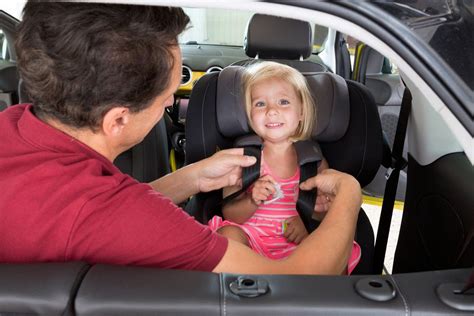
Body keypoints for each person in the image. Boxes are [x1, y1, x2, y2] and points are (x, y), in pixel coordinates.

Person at [0, 1, 362, 275]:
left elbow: (105, 208)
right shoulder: (124, 219)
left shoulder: (10, 125)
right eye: (167, 96)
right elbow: (295, 280)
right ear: (118, 120)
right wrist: (349, 194)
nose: (172, 102)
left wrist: (193, 177)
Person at [209, 62, 360, 273]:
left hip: (300, 245)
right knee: (227, 234)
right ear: (249, 113)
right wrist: (252, 200)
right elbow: (231, 215)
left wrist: (306, 220)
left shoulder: (313, 162)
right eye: (260, 104)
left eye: (283, 102)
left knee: (335, 246)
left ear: (301, 112)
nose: (272, 111)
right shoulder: (241, 159)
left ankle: (325, 300)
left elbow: (328, 210)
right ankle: (237, 297)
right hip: (251, 243)